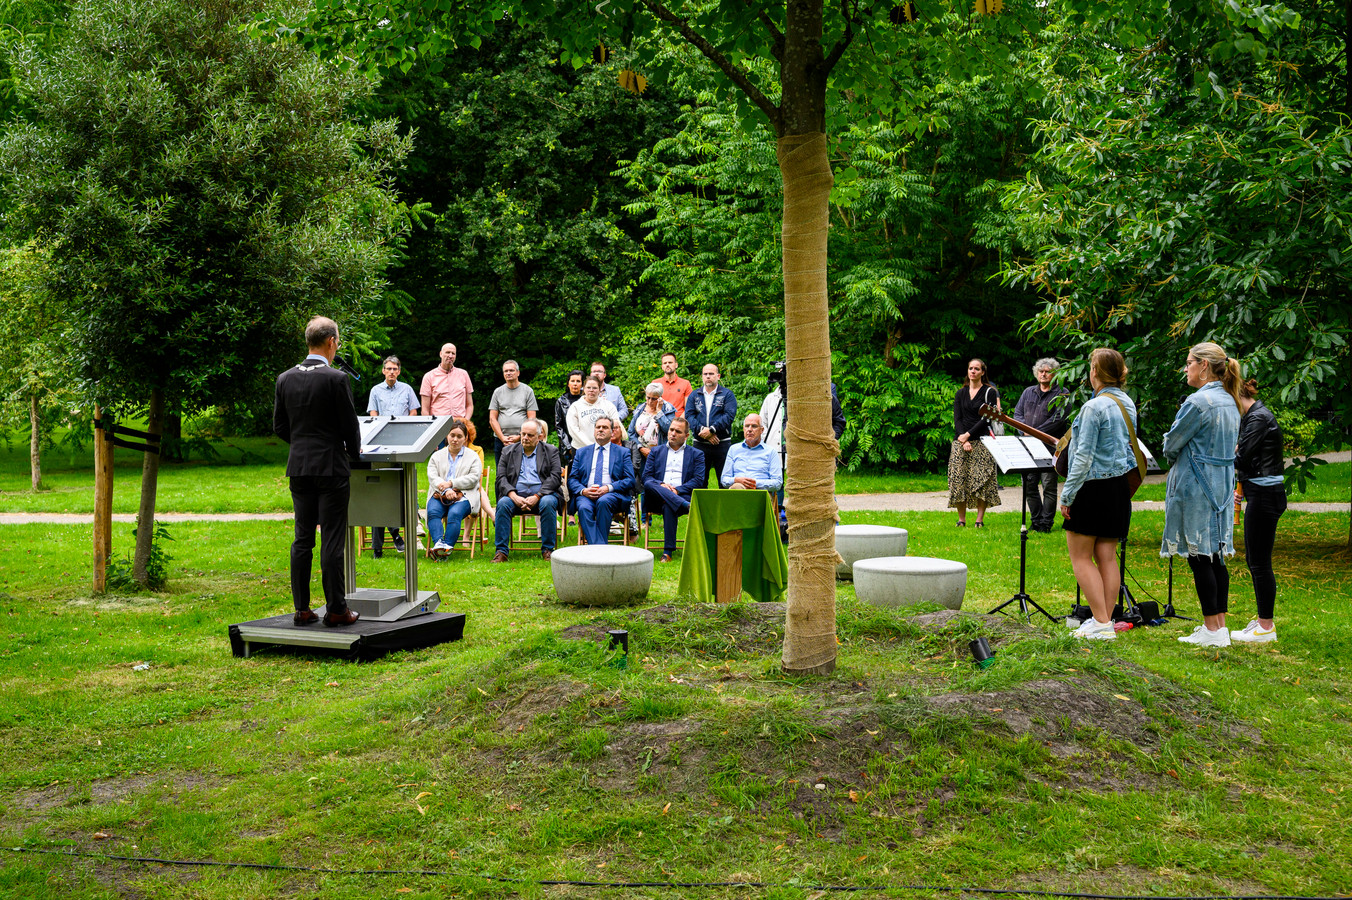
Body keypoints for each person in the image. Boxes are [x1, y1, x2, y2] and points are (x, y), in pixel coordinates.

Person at [272, 316, 361, 627]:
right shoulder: (336, 379)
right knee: (332, 540)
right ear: (331, 342)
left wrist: (301, 445)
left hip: (298, 467)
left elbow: (280, 426)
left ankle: (301, 608)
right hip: (332, 467)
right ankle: (337, 609)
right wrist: (352, 452)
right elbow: (350, 426)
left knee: (302, 538)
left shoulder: (284, 378)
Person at [1161, 341, 1243, 648]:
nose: (1186, 369)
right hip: (1220, 483)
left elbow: (1171, 445)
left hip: (1196, 484)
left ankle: (1211, 628)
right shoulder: (1229, 399)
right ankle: (1219, 627)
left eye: (1189, 363)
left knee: (1199, 556)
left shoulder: (1198, 402)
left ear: (1204, 366)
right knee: (1215, 554)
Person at [1057, 349, 1139, 641]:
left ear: (1095, 372)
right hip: (1118, 487)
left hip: (1092, 487)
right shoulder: (1127, 403)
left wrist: (1067, 495)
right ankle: (1103, 619)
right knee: (1107, 556)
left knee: (1080, 557)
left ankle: (1101, 623)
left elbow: (1083, 457)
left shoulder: (1093, 408)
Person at [1232, 377, 1286, 643]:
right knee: (1254, 560)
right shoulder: (1252, 417)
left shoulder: (1258, 418)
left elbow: (1240, 457)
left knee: (1260, 563)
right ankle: (1262, 620)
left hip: (1266, 496)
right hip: (1259, 492)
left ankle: (1266, 627)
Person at [366, 355, 419, 557]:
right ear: (383, 370)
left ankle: (389, 540)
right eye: (388, 368)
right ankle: (391, 538)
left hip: (402, 442)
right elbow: (372, 413)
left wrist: (405, 429)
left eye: (395, 369)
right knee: (379, 492)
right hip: (380, 443)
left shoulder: (406, 389)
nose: (391, 372)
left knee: (398, 490)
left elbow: (414, 412)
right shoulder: (375, 390)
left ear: (399, 371)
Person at [1011, 357, 1070, 532]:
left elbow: (1058, 420)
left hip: (1051, 447)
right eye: (1041, 371)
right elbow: (1017, 414)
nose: (1043, 374)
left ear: (1055, 374)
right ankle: (1035, 521)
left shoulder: (1063, 394)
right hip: (1028, 446)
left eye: (1047, 371)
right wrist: (1024, 431)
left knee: (1048, 486)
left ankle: (1045, 524)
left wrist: (1034, 432)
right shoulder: (1028, 392)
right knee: (1029, 486)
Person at [491, 419, 563, 562]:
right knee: (503, 503)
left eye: (530, 435)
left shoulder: (551, 451)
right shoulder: (507, 451)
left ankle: (548, 550)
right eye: (523, 434)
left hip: (543, 495)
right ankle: (501, 552)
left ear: (539, 436)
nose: (525, 438)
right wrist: (512, 495)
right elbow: (501, 478)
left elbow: (555, 478)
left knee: (548, 502)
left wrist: (538, 495)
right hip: (515, 496)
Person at [947, 358, 1002, 527]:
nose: (973, 371)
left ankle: (979, 520)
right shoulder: (960, 393)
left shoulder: (989, 392)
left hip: (981, 441)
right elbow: (957, 418)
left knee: (981, 479)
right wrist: (963, 439)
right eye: (970, 368)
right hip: (961, 441)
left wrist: (969, 435)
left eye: (977, 369)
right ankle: (961, 519)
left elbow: (987, 418)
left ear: (982, 372)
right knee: (958, 479)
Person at [642, 418, 706, 562]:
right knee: (649, 485)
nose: (673, 433)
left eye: (678, 431)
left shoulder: (697, 454)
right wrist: (662, 485)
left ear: (686, 435)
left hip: (682, 495)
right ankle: (682, 505)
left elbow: (698, 480)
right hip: (657, 498)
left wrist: (676, 491)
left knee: (669, 504)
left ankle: (668, 552)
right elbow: (646, 477)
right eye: (671, 430)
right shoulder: (656, 451)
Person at [567, 417, 636, 546]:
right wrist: (583, 490)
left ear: (612, 432)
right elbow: (572, 479)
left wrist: (608, 488)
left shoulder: (622, 452)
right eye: (598, 427)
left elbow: (630, 480)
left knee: (604, 501)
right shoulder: (582, 452)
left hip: (612, 495)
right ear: (594, 431)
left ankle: (596, 547)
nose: (600, 430)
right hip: (587, 495)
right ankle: (600, 547)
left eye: (605, 427)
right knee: (583, 507)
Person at [425, 419, 483, 558]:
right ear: (447, 436)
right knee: (433, 511)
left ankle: (446, 548)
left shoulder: (473, 456)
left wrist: (451, 484)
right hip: (439, 494)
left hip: (464, 495)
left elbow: (474, 478)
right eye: (452, 435)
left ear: (465, 438)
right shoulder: (436, 456)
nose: (455, 439)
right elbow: (433, 477)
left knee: (455, 513)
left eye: (459, 436)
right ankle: (439, 544)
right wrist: (445, 490)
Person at [685, 363, 737, 487]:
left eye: (711, 374)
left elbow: (729, 416)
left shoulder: (727, 394)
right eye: (705, 374)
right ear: (702, 377)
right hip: (700, 444)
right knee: (699, 481)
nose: (708, 376)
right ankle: (702, 507)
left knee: (724, 481)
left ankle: (725, 506)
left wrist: (712, 430)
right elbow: (689, 416)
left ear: (718, 376)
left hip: (722, 443)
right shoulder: (694, 395)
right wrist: (703, 431)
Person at [488, 359, 538, 464]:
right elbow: (492, 419)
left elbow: (532, 419)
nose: (508, 373)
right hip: (500, 440)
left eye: (511, 370)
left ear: (518, 373)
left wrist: (520, 437)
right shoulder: (497, 392)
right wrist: (502, 438)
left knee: (522, 470)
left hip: (524, 439)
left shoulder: (528, 391)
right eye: (505, 371)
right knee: (501, 471)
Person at [721, 414, 783, 491]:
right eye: (747, 426)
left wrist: (753, 483)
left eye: (754, 426)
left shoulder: (771, 452)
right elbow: (724, 479)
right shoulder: (734, 449)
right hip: (738, 490)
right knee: (737, 487)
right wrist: (736, 480)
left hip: (760, 493)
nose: (749, 429)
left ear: (762, 430)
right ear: (743, 429)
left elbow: (777, 483)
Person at [420, 342, 474, 421]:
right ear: (441, 354)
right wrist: (429, 426)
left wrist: (465, 422)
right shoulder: (429, 376)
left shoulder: (463, 374)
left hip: (459, 424)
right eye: (447, 352)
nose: (450, 356)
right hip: (437, 423)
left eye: (453, 353)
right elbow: (425, 409)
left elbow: (470, 405)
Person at [629, 382, 677, 471]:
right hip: (641, 453)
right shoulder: (640, 409)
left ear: (660, 398)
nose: (650, 401)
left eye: (654, 399)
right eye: (648, 397)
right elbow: (631, 432)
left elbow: (670, 431)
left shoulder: (668, 409)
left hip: (660, 454)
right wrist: (641, 448)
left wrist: (659, 412)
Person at [565, 375, 619, 450]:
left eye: (594, 388)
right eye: (588, 387)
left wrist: (604, 444)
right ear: (584, 389)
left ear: (600, 389)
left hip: (604, 448)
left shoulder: (608, 405)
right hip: (581, 449)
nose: (591, 390)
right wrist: (591, 445)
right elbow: (573, 430)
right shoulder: (575, 407)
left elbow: (615, 426)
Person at [554, 369, 586, 470]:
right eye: (572, 381)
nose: (575, 384)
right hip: (567, 444)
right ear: (568, 383)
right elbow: (559, 426)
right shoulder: (561, 401)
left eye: (578, 381)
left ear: (582, 383)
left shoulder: (586, 400)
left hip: (585, 441)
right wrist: (568, 446)